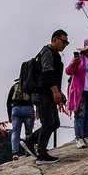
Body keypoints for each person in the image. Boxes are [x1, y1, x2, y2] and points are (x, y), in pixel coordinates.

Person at [24, 29, 68, 164]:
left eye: (67, 43)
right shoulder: (47, 52)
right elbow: (47, 73)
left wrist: (58, 92)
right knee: (48, 123)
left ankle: (30, 141)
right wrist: (56, 92)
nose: (65, 45)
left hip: (47, 93)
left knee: (55, 123)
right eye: (63, 41)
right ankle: (41, 154)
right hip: (42, 93)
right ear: (54, 40)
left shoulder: (54, 53)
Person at [6, 74, 34, 160]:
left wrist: (9, 115)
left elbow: (8, 102)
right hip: (28, 109)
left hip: (16, 109)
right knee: (29, 132)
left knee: (15, 132)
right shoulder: (30, 86)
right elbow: (35, 99)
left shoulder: (14, 87)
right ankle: (28, 150)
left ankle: (15, 152)